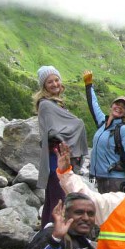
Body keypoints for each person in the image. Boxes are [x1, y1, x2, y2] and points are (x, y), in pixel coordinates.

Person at [33, 65, 88, 228]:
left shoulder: (56, 104)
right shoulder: (46, 105)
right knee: (59, 198)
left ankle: (47, 233)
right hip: (55, 156)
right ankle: (56, 234)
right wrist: (77, 125)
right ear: (44, 85)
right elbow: (53, 131)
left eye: (56, 80)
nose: (55, 84)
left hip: (57, 156)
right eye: (50, 82)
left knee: (53, 197)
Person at [83, 70, 125, 193]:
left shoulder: (123, 129)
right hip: (96, 178)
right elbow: (93, 104)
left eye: (123, 107)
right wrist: (88, 85)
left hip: (114, 180)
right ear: (111, 106)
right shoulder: (102, 123)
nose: (119, 107)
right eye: (117, 104)